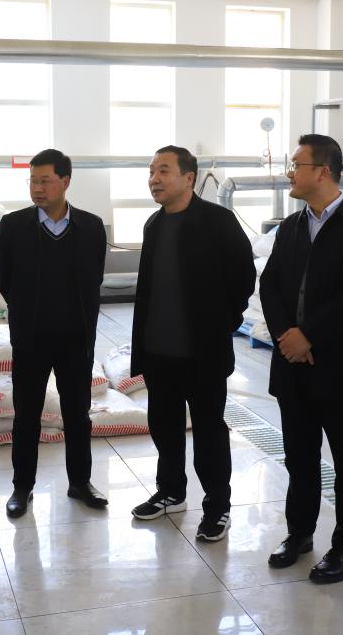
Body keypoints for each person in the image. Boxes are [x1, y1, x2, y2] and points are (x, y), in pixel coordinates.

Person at [260, 133, 343, 582]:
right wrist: (286, 336)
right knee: (299, 456)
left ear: (323, 171)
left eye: (297, 164)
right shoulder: (292, 226)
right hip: (291, 364)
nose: (289, 172)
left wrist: (308, 336)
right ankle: (300, 533)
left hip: (338, 366)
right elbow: (270, 285)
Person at [129, 145, 255, 542]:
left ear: (189, 178)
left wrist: (223, 323)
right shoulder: (154, 225)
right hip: (158, 352)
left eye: (163, 171)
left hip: (203, 354)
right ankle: (171, 492)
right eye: (152, 171)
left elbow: (243, 276)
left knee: (209, 432)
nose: (154, 179)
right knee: (164, 427)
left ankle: (217, 507)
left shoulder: (217, 221)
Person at [0, 148, 109, 518]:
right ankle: (22, 487)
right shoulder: (13, 226)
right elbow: (3, 279)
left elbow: (94, 280)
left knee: (78, 413)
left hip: (76, 338)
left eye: (45, 180)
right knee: (27, 414)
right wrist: (29, 311)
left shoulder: (91, 227)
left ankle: (80, 482)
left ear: (65, 181)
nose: (37, 188)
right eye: (33, 181)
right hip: (31, 338)